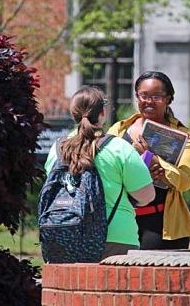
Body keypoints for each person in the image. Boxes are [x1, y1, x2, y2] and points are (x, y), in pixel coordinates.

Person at [45, 86, 155, 259]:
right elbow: (146, 196)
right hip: (115, 238)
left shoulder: (57, 149)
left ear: (73, 113)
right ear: (102, 113)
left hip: (64, 233)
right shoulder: (119, 148)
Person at [108, 71, 190, 249]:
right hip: (122, 222)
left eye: (156, 96)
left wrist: (153, 160)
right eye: (144, 95)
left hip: (161, 225)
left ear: (168, 99)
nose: (149, 101)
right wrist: (136, 172)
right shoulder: (119, 130)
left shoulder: (185, 135)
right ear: (137, 97)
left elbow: (186, 180)